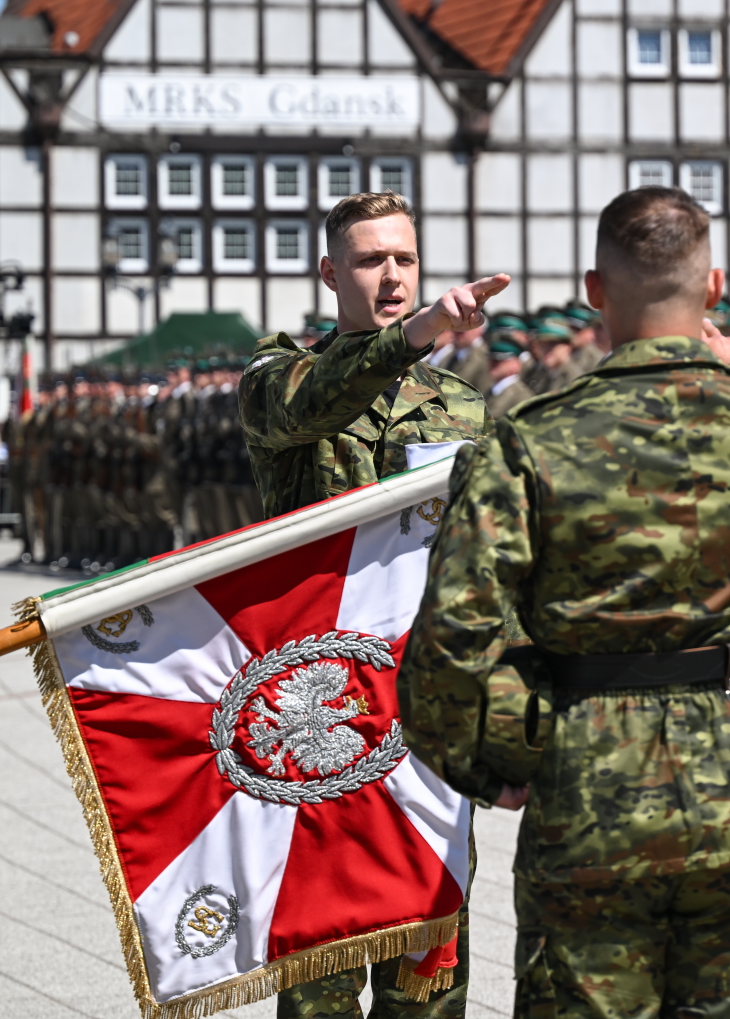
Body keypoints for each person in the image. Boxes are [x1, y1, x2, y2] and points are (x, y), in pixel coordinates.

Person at [398, 186, 730, 1017]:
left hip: (586, 770)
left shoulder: (535, 435)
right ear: (716, 286)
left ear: (595, 290)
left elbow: (451, 635)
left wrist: (491, 765)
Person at [239, 190, 497, 1017]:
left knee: (427, 973)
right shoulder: (279, 374)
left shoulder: (458, 402)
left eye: (406, 259)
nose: (393, 276)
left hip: (422, 708)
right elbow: (309, 406)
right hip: (317, 713)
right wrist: (414, 331)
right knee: (319, 980)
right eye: (370, 260)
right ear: (328, 272)